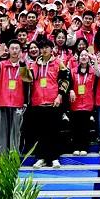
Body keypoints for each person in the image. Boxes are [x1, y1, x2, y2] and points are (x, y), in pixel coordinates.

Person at [28, 40, 69, 168]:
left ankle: (54, 158)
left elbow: (65, 80)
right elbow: (28, 78)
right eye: (42, 48)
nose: (44, 50)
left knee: (54, 132)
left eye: (47, 47)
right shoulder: (34, 64)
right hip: (38, 102)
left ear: (52, 49)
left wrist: (59, 96)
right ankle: (41, 158)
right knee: (39, 132)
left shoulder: (58, 63)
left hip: (53, 102)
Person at [0, 40, 32, 155]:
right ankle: (2, 158)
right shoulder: (1, 65)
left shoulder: (25, 66)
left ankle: (14, 158)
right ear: (8, 50)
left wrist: (25, 102)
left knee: (16, 132)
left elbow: (28, 82)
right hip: (2, 102)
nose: (15, 51)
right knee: (2, 132)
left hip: (18, 103)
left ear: (20, 51)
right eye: (12, 48)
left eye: (17, 48)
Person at [70, 50, 96, 156]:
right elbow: (69, 84)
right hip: (75, 102)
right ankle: (76, 147)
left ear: (88, 58)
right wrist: (71, 90)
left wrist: (95, 60)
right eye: (82, 55)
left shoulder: (93, 72)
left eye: (86, 55)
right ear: (78, 58)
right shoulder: (72, 71)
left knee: (85, 127)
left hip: (87, 102)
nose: (84, 57)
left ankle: (84, 147)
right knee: (75, 127)